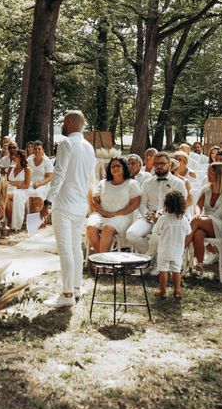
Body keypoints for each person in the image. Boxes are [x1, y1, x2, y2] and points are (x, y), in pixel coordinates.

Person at [40, 110, 96, 308]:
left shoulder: (66, 144)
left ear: (70, 122)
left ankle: (67, 294)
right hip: (81, 204)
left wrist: (47, 201)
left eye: (64, 121)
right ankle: (77, 287)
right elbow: (90, 178)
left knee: (65, 250)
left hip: (64, 204)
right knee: (75, 248)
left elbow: (59, 174)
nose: (62, 125)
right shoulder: (89, 147)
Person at [125, 151, 187, 254]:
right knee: (131, 234)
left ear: (169, 164)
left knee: (157, 235)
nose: (159, 166)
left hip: (169, 218)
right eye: (156, 164)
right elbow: (142, 204)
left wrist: (161, 214)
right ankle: (151, 257)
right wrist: (147, 214)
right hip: (148, 218)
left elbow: (180, 205)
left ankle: (150, 258)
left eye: (162, 163)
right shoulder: (147, 183)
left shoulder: (178, 183)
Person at [185, 163, 222, 277]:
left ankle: (179, 253)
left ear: (219, 174)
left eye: (210, 172)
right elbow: (198, 205)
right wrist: (198, 213)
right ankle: (199, 266)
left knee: (195, 221)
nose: (207, 174)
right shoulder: (206, 189)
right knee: (198, 233)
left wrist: (202, 218)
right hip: (205, 223)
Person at [85, 157, 141, 253]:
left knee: (107, 228)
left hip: (122, 216)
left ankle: (102, 263)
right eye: (112, 166)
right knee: (90, 227)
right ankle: (103, 259)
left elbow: (135, 204)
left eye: (118, 166)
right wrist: (101, 211)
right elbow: (95, 200)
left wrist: (115, 213)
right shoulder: (103, 183)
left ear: (124, 168)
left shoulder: (132, 183)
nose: (114, 168)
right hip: (102, 214)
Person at [153, 190, 191, 299]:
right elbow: (188, 232)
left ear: (166, 205)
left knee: (163, 269)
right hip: (178, 250)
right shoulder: (183, 220)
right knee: (176, 270)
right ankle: (177, 291)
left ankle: (163, 290)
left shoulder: (163, 219)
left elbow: (156, 231)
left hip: (164, 249)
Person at [5, 149, 30, 230]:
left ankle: (9, 222)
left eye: (15, 155)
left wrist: (14, 183)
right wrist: (18, 183)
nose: (13, 157)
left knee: (5, 196)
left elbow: (26, 186)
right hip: (10, 189)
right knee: (4, 197)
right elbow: (7, 181)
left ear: (20, 157)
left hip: (22, 191)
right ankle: (10, 221)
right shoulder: (10, 168)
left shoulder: (27, 169)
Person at [28, 141, 54, 214]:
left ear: (43, 150)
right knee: (27, 194)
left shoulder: (47, 161)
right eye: (35, 149)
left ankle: (37, 218)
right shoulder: (29, 160)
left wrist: (39, 184)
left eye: (39, 149)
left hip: (43, 184)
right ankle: (29, 217)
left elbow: (49, 177)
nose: (37, 150)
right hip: (31, 183)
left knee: (37, 194)